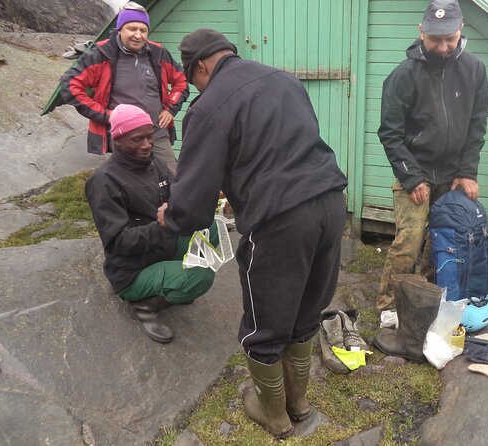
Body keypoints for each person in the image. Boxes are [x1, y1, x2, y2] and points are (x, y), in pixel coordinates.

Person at [156, 29, 347, 438]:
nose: (196, 90)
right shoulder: (284, 79)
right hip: (330, 202)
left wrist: (170, 217)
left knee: (266, 321)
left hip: (282, 220)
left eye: (193, 81)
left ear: (202, 66)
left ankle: (273, 413)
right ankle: (298, 401)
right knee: (306, 309)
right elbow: (281, 150)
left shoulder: (208, 108)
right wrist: (241, 196)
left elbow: (189, 203)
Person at [375, 0, 488, 311]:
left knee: (444, 239)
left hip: (453, 173)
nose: (442, 47)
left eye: (449, 39)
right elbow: (390, 133)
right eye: (434, 39)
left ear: (460, 31)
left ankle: (430, 298)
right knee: (409, 241)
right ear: (421, 32)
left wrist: (467, 171)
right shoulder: (403, 75)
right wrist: (412, 178)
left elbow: (477, 125)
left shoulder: (474, 69)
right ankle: (388, 305)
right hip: (415, 169)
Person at [85, 104, 216, 344]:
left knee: (209, 224)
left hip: (162, 247)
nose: (146, 145)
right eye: (137, 140)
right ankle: (144, 305)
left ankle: (173, 280)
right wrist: (164, 226)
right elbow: (118, 242)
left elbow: (179, 194)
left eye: (149, 136)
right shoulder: (104, 181)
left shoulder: (154, 163)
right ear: (118, 140)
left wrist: (207, 196)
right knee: (200, 276)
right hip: (132, 270)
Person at [60, 1, 188, 173]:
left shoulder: (158, 52)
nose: (138, 35)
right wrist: (105, 115)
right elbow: (70, 85)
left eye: (143, 30)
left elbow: (182, 81)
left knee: (173, 178)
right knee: (133, 182)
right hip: (124, 136)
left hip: (156, 131)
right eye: (132, 29)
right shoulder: (101, 53)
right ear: (120, 29)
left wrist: (170, 108)